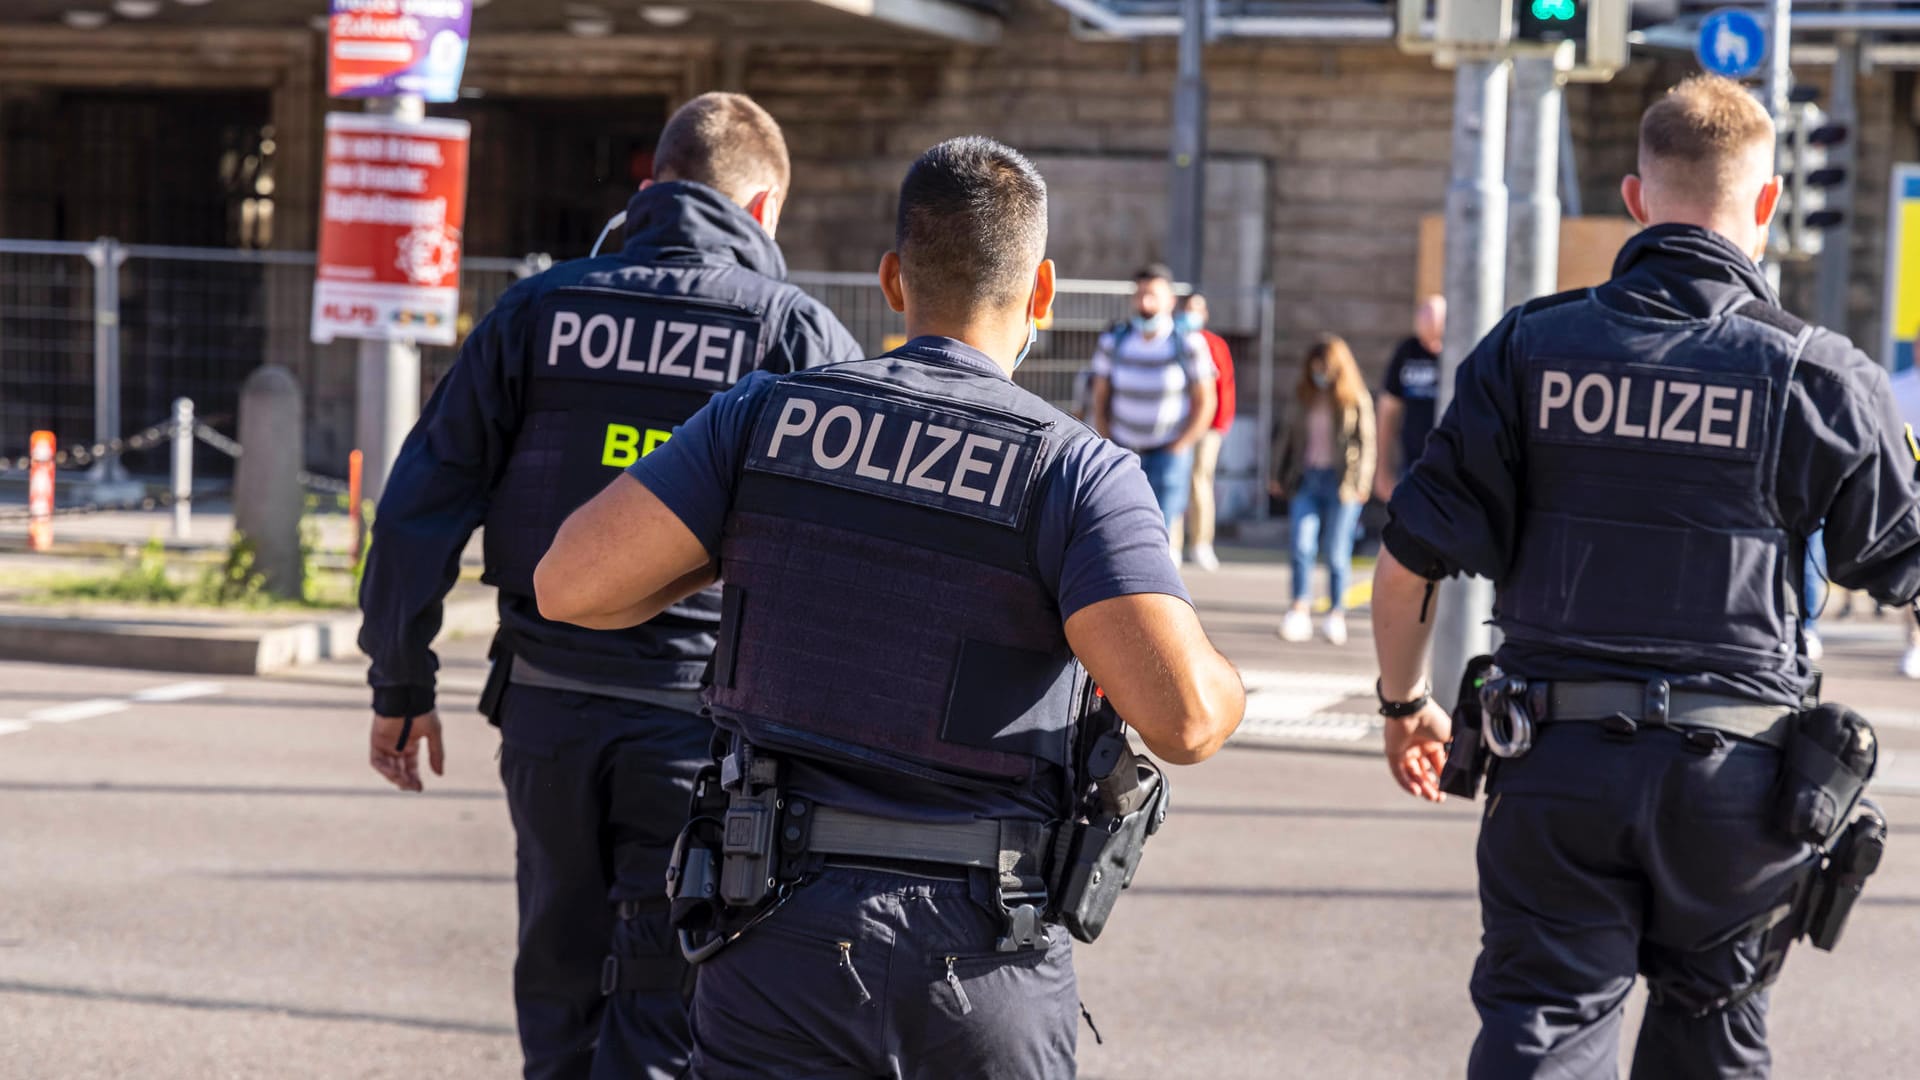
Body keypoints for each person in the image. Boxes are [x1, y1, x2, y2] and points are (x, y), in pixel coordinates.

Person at [534, 136, 1245, 1079]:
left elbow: (569, 585)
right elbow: (1187, 720)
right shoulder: (1075, 470)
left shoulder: (765, 418)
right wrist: (1227, 679)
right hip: (982, 950)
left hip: (772, 932)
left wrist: (712, 557)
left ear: (892, 281)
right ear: (1042, 293)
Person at [1370, 75, 1920, 1077]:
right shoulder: (1822, 374)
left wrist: (1404, 704)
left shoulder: (1530, 348)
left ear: (1635, 198)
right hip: (1743, 792)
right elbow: (1908, 570)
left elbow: (1410, 558)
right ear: (1765, 203)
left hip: (1557, 766)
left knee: (1543, 1028)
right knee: (1713, 1037)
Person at [357, 92, 862, 1080]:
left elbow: (421, 502)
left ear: (652, 185)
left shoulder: (538, 311)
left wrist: (400, 686)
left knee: (557, 976)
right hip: (703, 726)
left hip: (547, 708)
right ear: (761, 209)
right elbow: (852, 558)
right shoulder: (792, 331)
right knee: (665, 997)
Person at [1087, 263, 1216, 559]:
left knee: (1162, 530)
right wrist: (1107, 437)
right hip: (1124, 449)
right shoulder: (1114, 341)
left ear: (1170, 301)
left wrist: (1181, 445)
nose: (1145, 303)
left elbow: (1206, 399)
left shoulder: (1188, 344)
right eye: (1140, 294)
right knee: (1119, 525)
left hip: (1167, 453)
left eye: (1153, 295)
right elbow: (1100, 394)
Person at [1274, 334, 1375, 646]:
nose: (1321, 374)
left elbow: (1367, 443)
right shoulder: (1302, 396)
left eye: (1327, 368)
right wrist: (1276, 473)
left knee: (1336, 551)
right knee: (1301, 544)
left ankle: (1335, 614)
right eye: (1316, 367)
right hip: (1306, 478)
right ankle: (1299, 608)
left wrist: (1363, 483)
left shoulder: (1355, 398)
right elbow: (1286, 438)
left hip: (1341, 482)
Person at [1177, 291, 1235, 572]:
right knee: (1175, 482)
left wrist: (1219, 423)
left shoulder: (1214, 344)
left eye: (1197, 309)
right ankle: (1171, 544)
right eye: (1188, 308)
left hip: (1207, 426)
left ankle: (1201, 543)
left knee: (1200, 481)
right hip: (1177, 425)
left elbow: (1223, 387)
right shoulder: (1173, 341)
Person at [1372, 294, 1445, 502]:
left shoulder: (1457, 349)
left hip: (1452, 464)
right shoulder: (1408, 351)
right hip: (1413, 463)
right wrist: (1383, 468)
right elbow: (1388, 409)